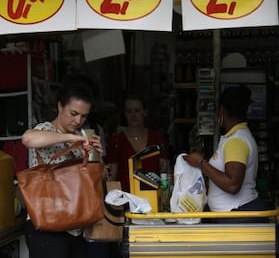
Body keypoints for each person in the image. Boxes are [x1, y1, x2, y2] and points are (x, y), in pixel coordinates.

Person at [21, 75, 104, 258]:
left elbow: (98, 181)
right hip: (47, 225)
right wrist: (72, 138)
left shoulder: (82, 139)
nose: (78, 121)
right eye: (73, 114)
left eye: (84, 116)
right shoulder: (46, 129)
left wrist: (96, 156)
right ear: (60, 106)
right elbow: (28, 139)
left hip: (76, 226)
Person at [184, 85, 267, 223]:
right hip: (234, 215)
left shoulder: (236, 141)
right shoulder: (235, 137)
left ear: (221, 110)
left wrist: (201, 163)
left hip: (238, 216)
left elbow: (232, 185)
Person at [106, 95, 169, 192]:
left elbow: (164, 173)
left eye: (137, 110)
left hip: (153, 198)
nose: (133, 115)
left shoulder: (157, 139)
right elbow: (112, 177)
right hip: (125, 200)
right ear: (124, 114)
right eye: (129, 111)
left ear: (145, 112)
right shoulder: (116, 141)